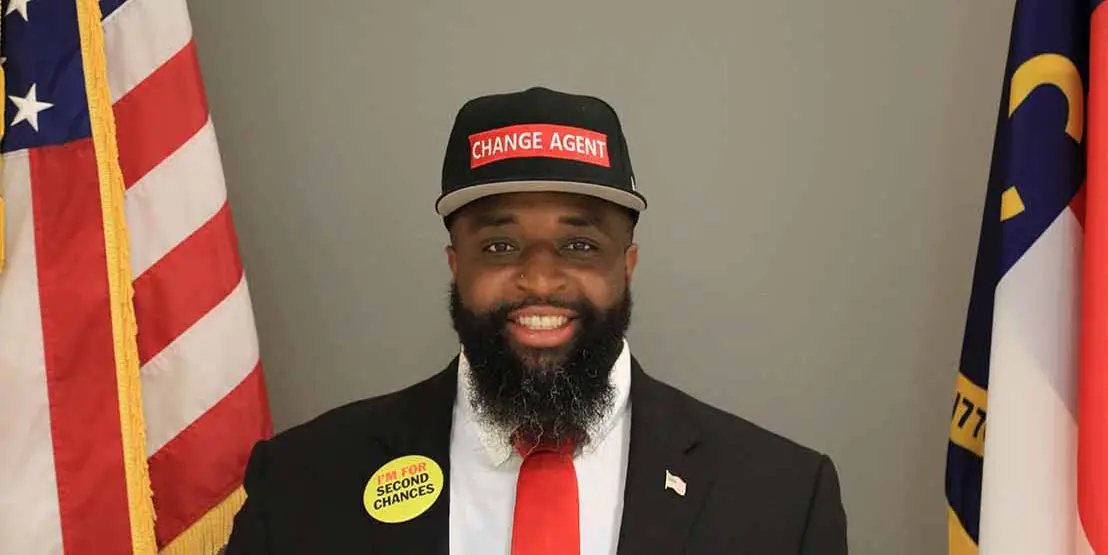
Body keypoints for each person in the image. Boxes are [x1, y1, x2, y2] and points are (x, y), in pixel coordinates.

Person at [224, 86, 848, 554]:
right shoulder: (305, 481)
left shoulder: (782, 498)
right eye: (499, 246)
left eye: (580, 246)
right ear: (455, 264)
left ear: (627, 263)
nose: (541, 280)